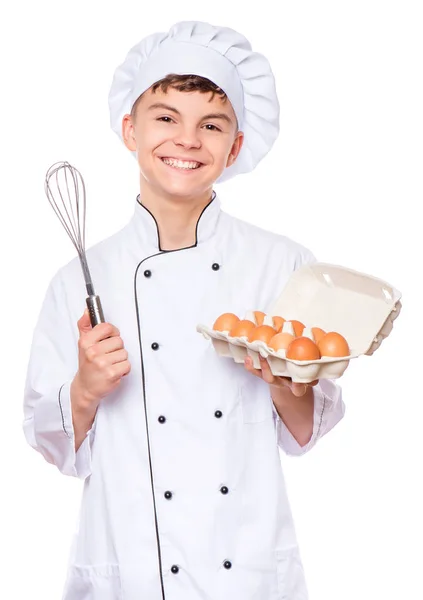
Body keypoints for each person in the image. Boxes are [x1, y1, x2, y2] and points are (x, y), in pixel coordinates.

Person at [23, 20, 345, 600]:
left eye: (212, 125)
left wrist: (284, 383)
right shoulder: (77, 280)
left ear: (236, 146)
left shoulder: (283, 264)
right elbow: (50, 443)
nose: (188, 140)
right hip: (129, 567)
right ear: (130, 128)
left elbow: (304, 433)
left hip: (245, 574)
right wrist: (86, 388)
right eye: (166, 117)